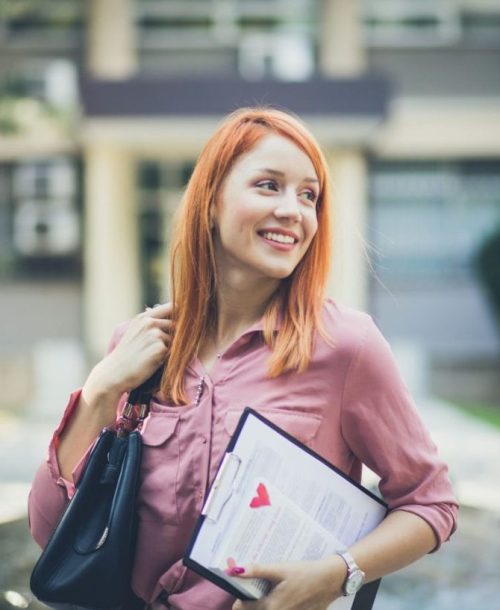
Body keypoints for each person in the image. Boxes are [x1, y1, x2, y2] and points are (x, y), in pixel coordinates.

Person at [28, 107, 458, 610]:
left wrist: (338, 574)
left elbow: (431, 503)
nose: (294, 211)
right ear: (210, 201)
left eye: (308, 195)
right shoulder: (139, 346)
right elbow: (46, 529)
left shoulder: (347, 345)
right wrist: (100, 392)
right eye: (268, 185)